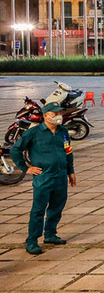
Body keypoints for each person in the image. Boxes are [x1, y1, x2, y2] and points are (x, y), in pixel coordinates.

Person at [10, 103, 76, 254]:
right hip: (43, 177)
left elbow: (68, 151)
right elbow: (15, 150)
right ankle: (32, 241)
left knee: (57, 207)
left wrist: (71, 171)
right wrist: (26, 168)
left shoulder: (63, 131)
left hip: (60, 176)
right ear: (46, 116)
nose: (59, 115)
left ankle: (50, 234)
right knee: (38, 210)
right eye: (55, 113)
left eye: (60, 112)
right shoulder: (33, 133)